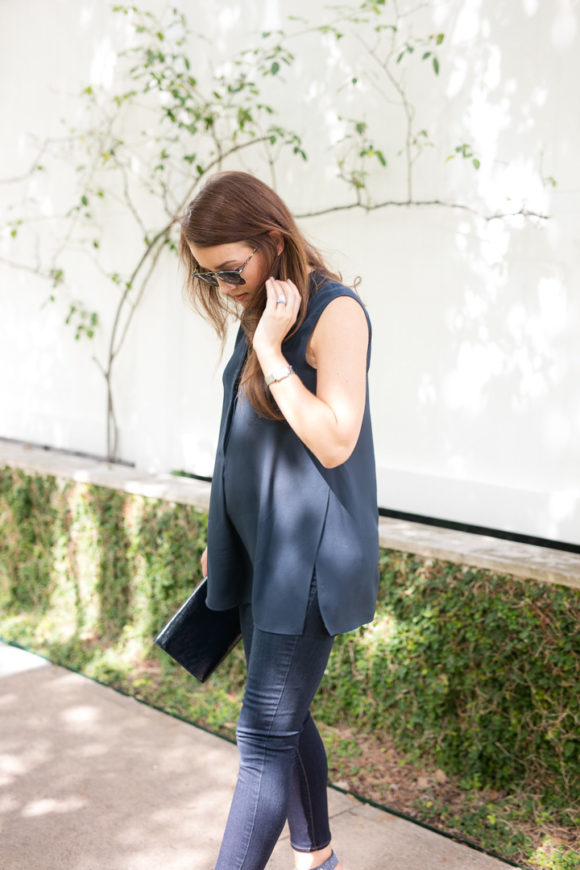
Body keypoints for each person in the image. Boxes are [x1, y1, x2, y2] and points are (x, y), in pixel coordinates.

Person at [179, 171, 379, 870]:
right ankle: (316, 857)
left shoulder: (335, 315)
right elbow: (239, 440)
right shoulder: (259, 307)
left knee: (262, 736)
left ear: (272, 239)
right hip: (263, 555)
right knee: (282, 723)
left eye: (230, 270)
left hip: (309, 565)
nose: (224, 288)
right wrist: (222, 543)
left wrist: (271, 350)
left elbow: (333, 439)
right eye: (210, 279)